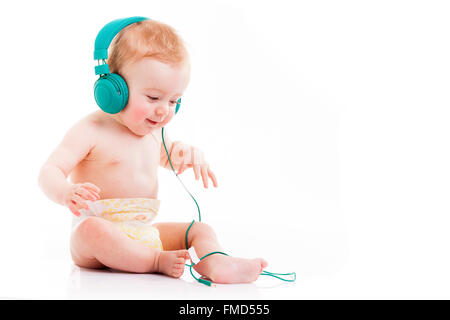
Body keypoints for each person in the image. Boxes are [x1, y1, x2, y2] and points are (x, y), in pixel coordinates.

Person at [38, 18, 267, 284]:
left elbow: (168, 156)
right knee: (91, 230)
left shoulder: (154, 131)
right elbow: (49, 171)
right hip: (94, 237)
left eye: (173, 101)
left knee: (199, 229)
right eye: (153, 98)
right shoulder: (91, 129)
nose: (164, 111)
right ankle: (155, 261)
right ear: (114, 90)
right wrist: (65, 192)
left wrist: (187, 154)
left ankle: (216, 262)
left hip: (142, 231)